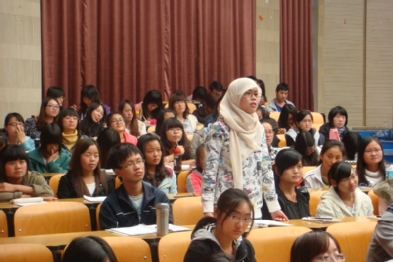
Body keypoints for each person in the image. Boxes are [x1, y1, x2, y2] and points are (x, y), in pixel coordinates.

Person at [202, 77, 287, 220]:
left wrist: (273, 206)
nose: (254, 98)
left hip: (253, 205)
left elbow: (265, 167)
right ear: (235, 96)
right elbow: (210, 169)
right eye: (247, 93)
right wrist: (207, 208)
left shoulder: (258, 127)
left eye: (256, 94)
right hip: (225, 204)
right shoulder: (219, 128)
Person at [99, 143, 172, 229]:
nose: (137, 167)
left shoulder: (160, 198)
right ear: (118, 172)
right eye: (130, 164)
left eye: (139, 161)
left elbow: (168, 231)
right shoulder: (110, 204)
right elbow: (112, 238)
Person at [184, 188, 256, 262]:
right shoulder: (198, 250)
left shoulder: (245, 246)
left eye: (246, 218)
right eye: (234, 217)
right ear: (216, 212)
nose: (240, 225)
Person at [262, 149, 310, 220]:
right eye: (290, 167)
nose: (296, 171)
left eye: (299, 166)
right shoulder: (272, 198)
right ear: (277, 170)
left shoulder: (303, 194)